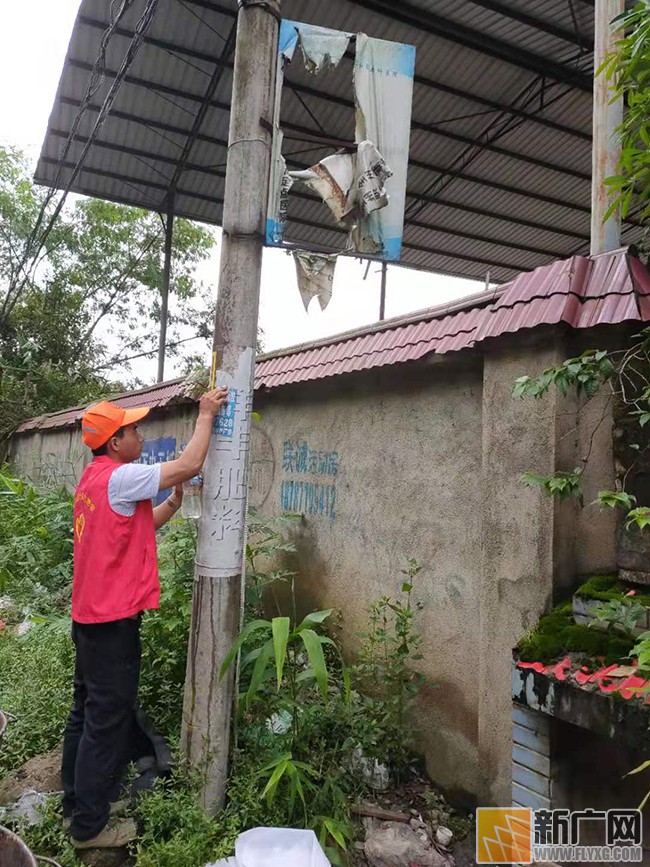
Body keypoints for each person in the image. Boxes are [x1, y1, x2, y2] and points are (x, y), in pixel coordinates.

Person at [61, 387, 228, 849]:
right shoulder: (120, 477)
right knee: (106, 720)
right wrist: (205, 415)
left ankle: (76, 801)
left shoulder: (94, 480)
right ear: (115, 443)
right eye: (133, 429)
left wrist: (172, 504)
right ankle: (90, 828)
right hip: (111, 624)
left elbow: (129, 530)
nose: (140, 434)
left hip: (89, 620)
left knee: (85, 713)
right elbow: (191, 463)